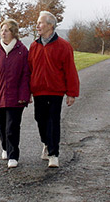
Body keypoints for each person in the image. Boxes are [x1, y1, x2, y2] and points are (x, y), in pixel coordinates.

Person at [28, 10, 79, 168]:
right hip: (38, 91)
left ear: (50, 25)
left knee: (53, 121)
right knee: (40, 119)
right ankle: (46, 143)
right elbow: (29, 70)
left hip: (56, 91)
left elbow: (70, 70)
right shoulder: (34, 46)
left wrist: (72, 93)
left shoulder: (64, 46)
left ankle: (54, 154)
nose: (37, 25)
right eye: (38, 22)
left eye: (41, 22)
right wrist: (27, 91)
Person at [0, 19, 30, 169]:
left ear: (13, 33)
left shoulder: (22, 51)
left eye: (7, 30)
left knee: (12, 127)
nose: (3, 33)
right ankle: (5, 147)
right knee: (1, 124)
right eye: (2, 30)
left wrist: (24, 96)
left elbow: (26, 75)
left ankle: (13, 155)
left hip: (16, 98)